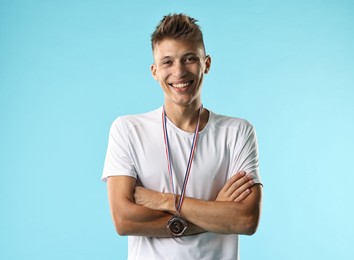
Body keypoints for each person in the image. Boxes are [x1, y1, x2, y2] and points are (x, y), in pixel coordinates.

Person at [102, 13, 262, 260]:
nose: (179, 72)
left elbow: (246, 219)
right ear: (154, 71)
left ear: (206, 64)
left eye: (189, 59)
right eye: (167, 62)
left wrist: (165, 201)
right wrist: (217, 213)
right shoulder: (127, 130)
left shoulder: (238, 132)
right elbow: (124, 220)